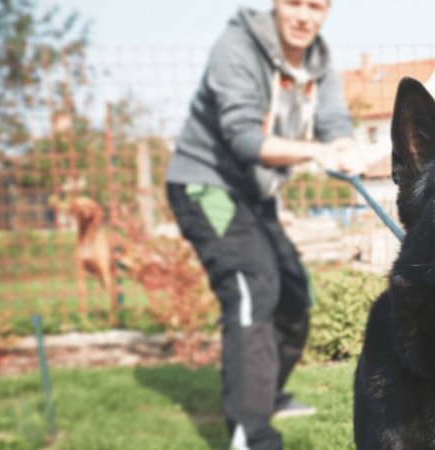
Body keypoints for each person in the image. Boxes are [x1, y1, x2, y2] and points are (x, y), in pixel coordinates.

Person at [164, 1, 362, 448]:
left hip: (256, 196)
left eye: (316, 6)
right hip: (207, 186)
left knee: (293, 297)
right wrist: (315, 152)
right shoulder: (235, 48)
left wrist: (346, 145)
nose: (304, 16)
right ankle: (249, 435)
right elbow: (244, 137)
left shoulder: (319, 61)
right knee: (254, 288)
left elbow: (332, 120)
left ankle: (266, 393)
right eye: (294, 2)